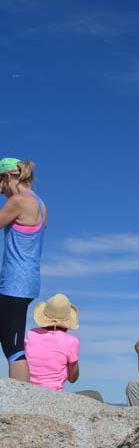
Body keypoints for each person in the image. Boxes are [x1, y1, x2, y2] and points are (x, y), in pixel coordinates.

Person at [0, 158, 47, 382]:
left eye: (0, 183)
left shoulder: (18, 201)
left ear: (8, 177)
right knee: (11, 340)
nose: (0, 190)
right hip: (28, 280)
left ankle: (22, 403)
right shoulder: (40, 204)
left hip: (15, 282)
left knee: (12, 344)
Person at [25, 293, 80, 390]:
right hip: (54, 391)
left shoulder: (31, 334)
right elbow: (73, 378)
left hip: (29, 388)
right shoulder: (72, 341)